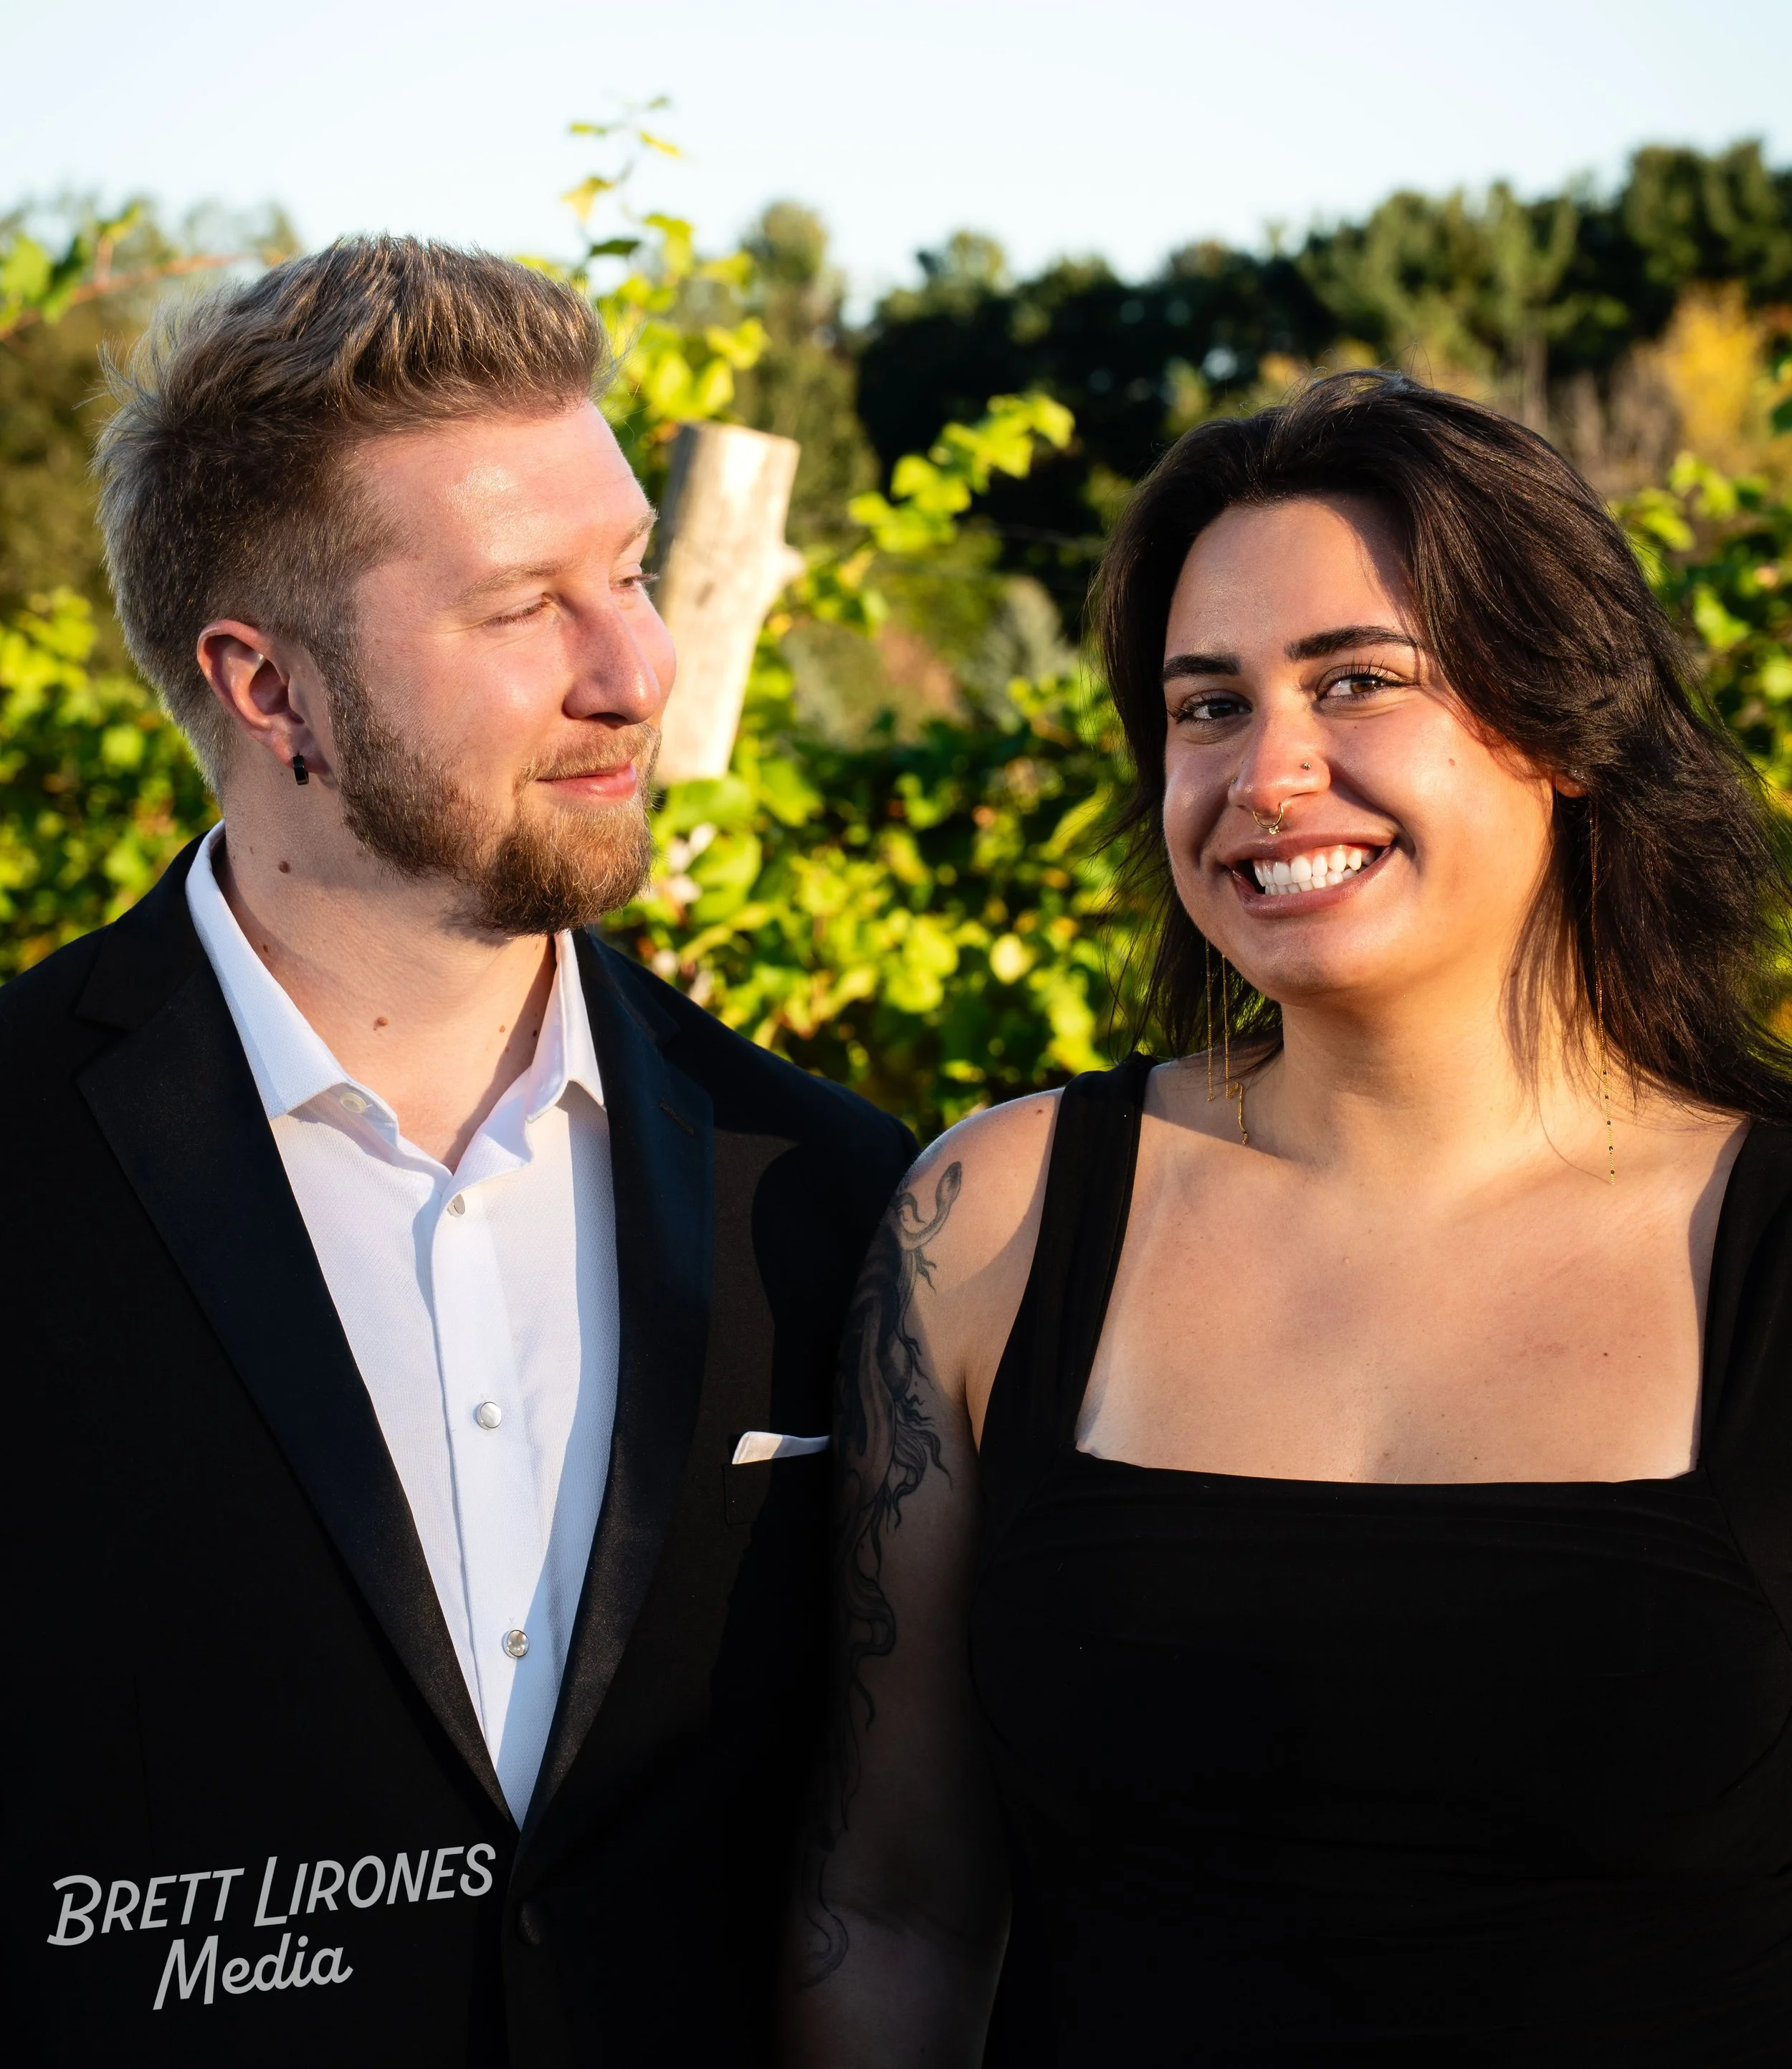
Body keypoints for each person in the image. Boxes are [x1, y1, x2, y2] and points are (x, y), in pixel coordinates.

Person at [783, 371, 1792, 2067]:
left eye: (1356, 683)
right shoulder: (996, 1223)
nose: (1268, 772)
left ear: (1557, 723)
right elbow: (892, 1912)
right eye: (1205, 708)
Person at [5, 239, 912, 2068]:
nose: (637, 668)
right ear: (268, 691)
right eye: (522, 609)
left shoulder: (824, 1186)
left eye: (634, 573)